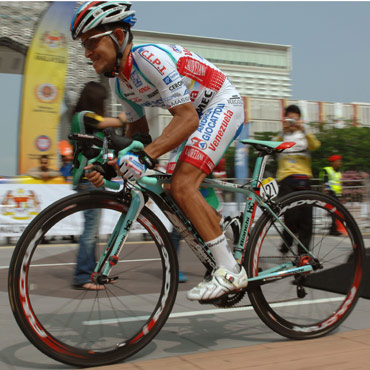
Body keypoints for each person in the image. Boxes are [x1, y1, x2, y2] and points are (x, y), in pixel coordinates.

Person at [70, 1, 248, 301]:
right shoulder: (121, 85)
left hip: (220, 104)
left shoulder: (148, 59)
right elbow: (139, 136)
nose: (87, 53)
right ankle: (221, 236)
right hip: (194, 117)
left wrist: (145, 156)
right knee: (172, 187)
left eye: (90, 42)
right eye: (83, 46)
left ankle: (230, 270)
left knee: (182, 184)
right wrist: (111, 167)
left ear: (116, 35)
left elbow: (188, 118)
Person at [71, 81, 124, 290]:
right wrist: (128, 113)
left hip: (92, 178)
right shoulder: (84, 116)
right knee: (90, 230)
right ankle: (83, 275)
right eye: (104, 100)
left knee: (91, 229)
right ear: (96, 100)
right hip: (88, 178)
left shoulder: (86, 120)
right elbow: (106, 122)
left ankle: (90, 272)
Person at [275, 104, 321, 253]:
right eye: (290, 117)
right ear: (285, 118)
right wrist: (283, 132)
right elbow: (272, 146)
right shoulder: (282, 134)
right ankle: (286, 243)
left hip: (304, 178)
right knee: (290, 217)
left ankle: (303, 255)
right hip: (287, 178)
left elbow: (316, 145)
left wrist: (304, 130)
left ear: (300, 119)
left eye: (295, 117)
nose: (292, 120)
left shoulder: (305, 134)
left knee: (306, 220)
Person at [320, 154, 343, 236]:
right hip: (330, 194)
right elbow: (324, 182)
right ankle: (333, 230)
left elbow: (338, 184)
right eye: (338, 161)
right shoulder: (327, 170)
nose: (340, 162)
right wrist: (325, 193)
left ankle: (333, 229)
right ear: (333, 162)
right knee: (333, 213)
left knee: (335, 213)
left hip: (336, 195)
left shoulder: (338, 172)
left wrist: (340, 196)